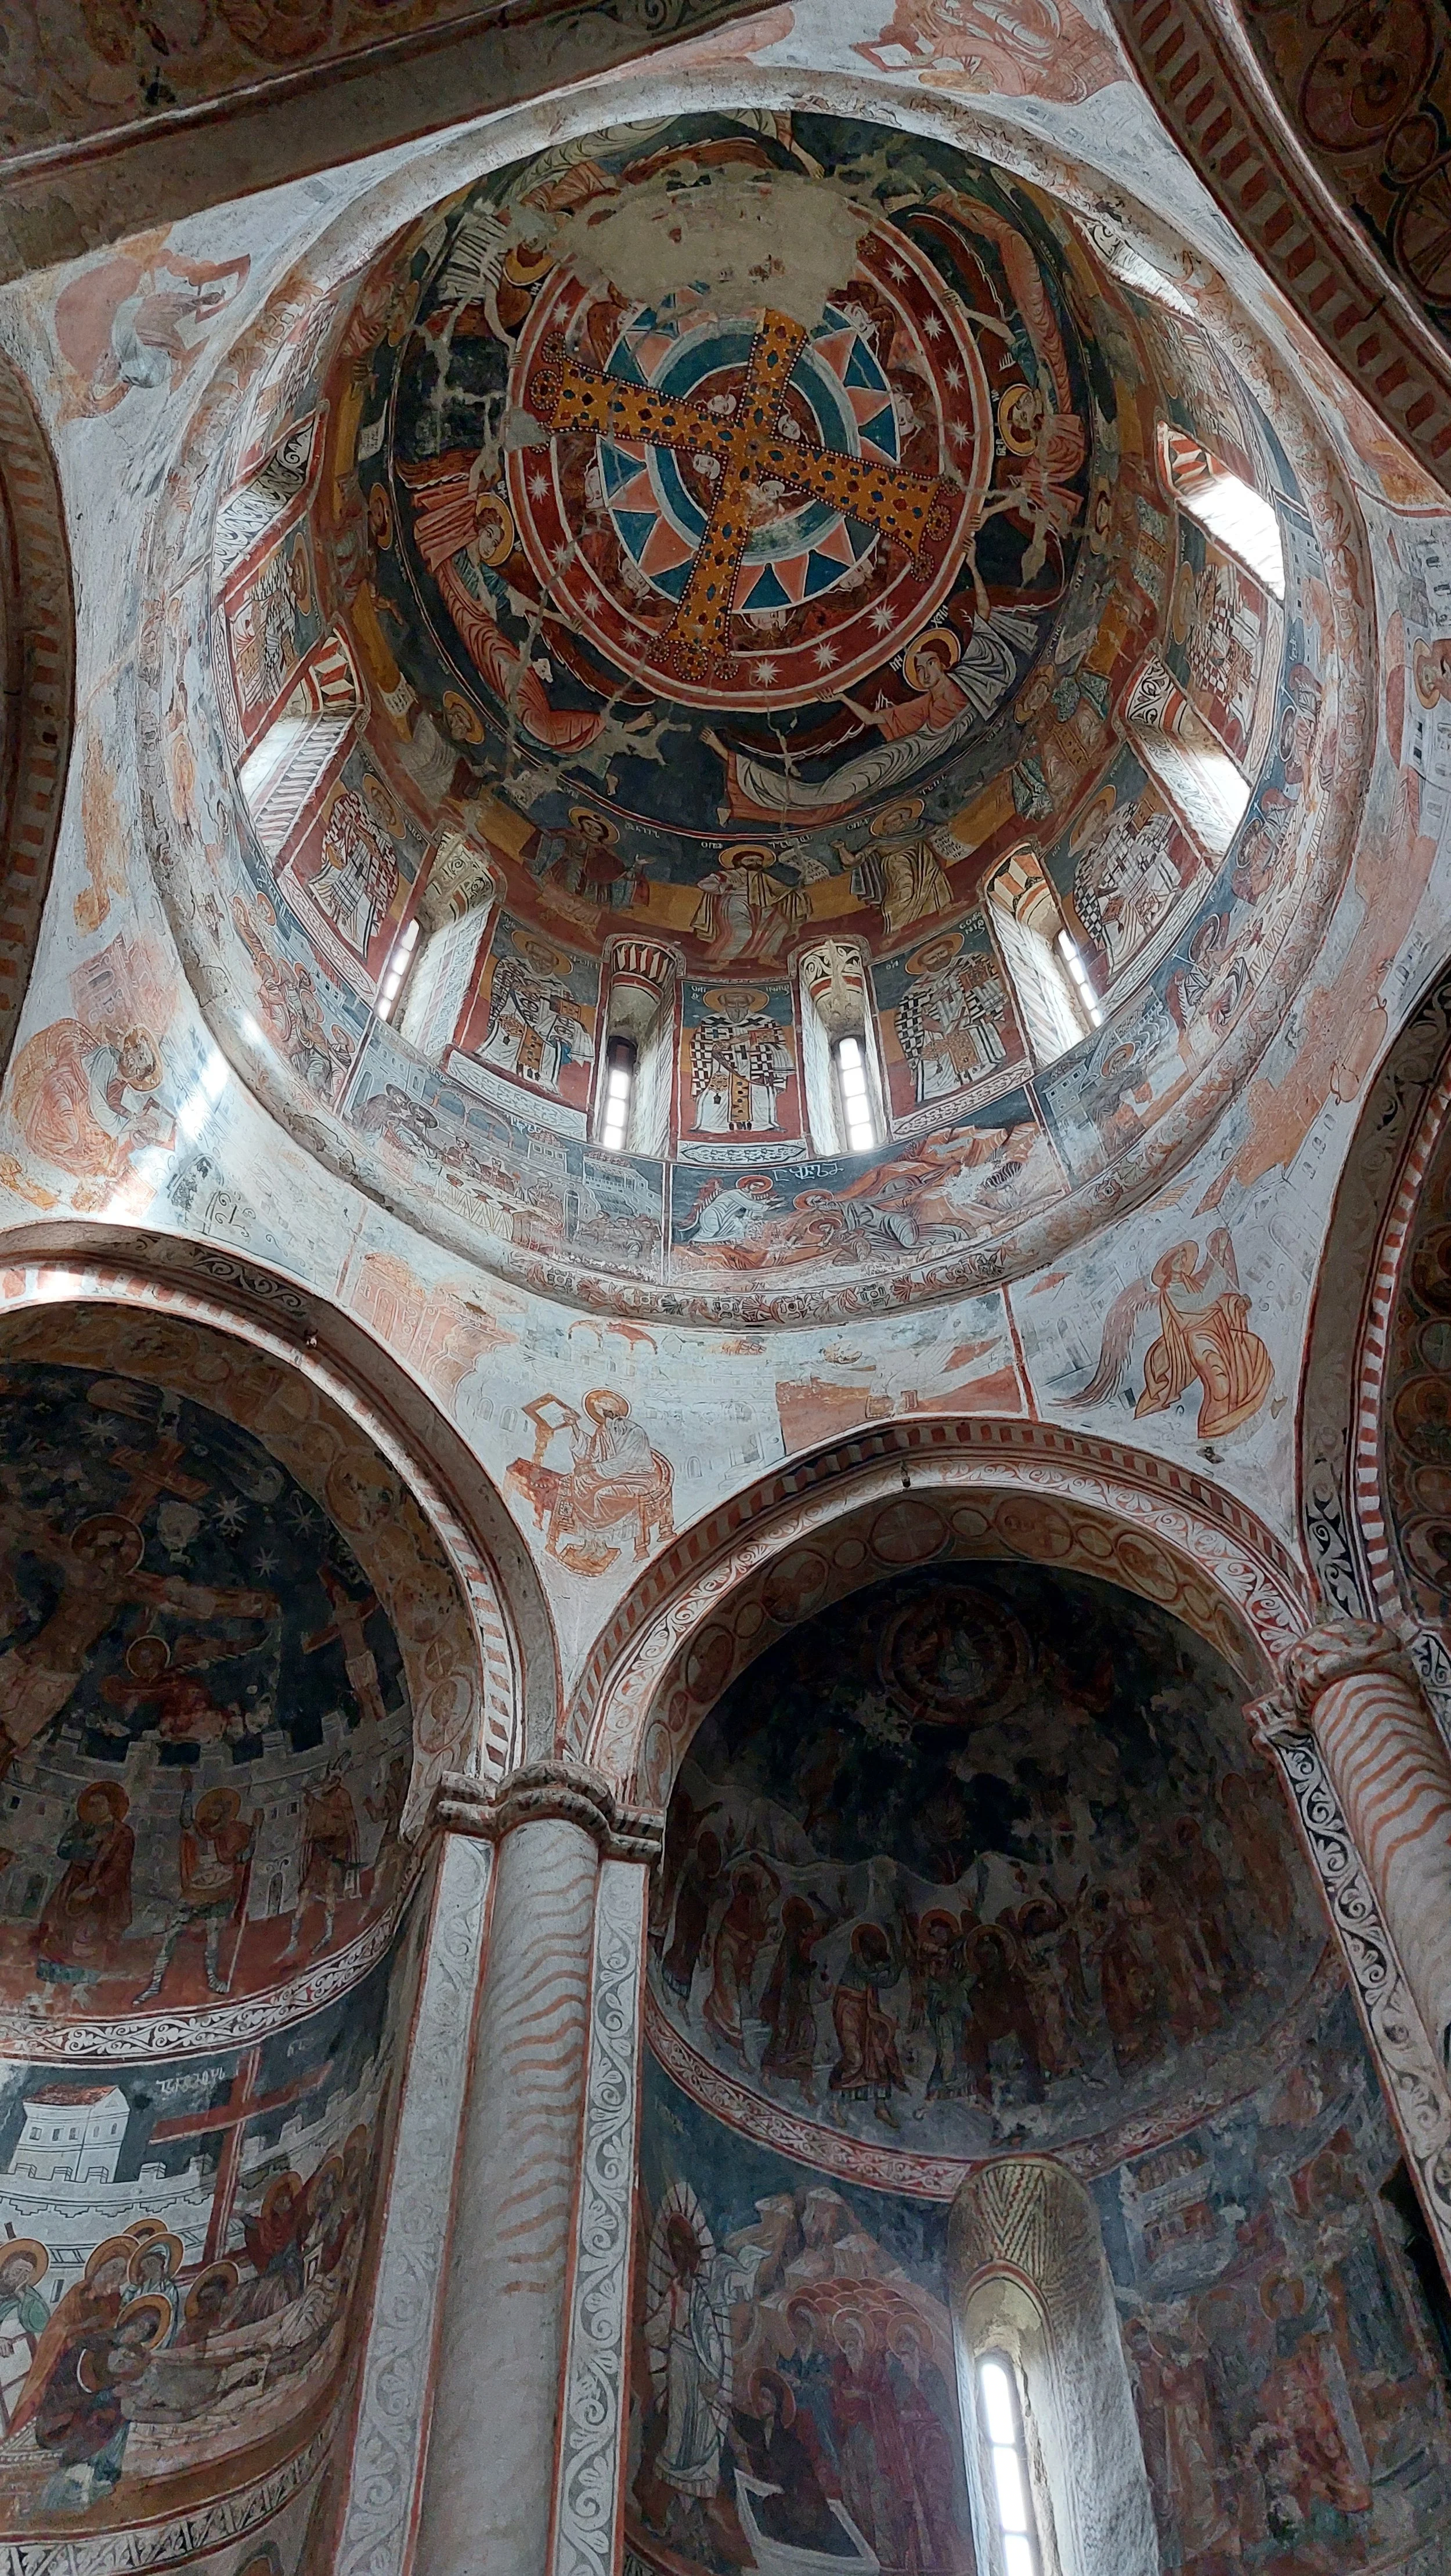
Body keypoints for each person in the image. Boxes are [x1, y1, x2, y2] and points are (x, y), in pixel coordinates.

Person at [134, 1781, 259, 2002]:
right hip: (197, 1890)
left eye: (218, 1812)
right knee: (172, 1932)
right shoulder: (198, 1831)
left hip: (222, 1888)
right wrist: (189, 1792)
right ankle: (154, 1984)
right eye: (210, 1810)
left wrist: (256, 1831)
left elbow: (242, 1856)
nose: (213, 1814)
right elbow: (185, 1821)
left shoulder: (230, 1834)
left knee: (213, 1935)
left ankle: (212, 1978)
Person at [33, 1783, 133, 2001]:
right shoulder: (82, 1827)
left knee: (88, 1938)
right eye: (91, 1804)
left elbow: (120, 1865)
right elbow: (63, 1850)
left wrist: (95, 1889)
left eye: (99, 1804)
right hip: (72, 1884)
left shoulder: (122, 1833)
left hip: (101, 1892)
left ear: (111, 1806)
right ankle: (50, 1987)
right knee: (58, 1931)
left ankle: (81, 1987)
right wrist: (86, 1842)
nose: (94, 1808)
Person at [829, 1924, 907, 2127]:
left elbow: (890, 1979)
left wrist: (898, 1951)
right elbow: (875, 1976)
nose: (875, 1951)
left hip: (866, 2008)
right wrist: (893, 1960)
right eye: (873, 1947)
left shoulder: (872, 1962)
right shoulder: (857, 1961)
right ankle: (835, 2104)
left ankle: (881, 2107)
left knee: (878, 2056)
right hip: (848, 2007)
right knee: (855, 2058)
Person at [281, 1771, 360, 1961]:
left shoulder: (341, 1796)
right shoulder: (324, 1800)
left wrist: (318, 1806)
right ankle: (293, 1937)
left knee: (329, 1887)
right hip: (320, 1850)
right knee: (305, 1891)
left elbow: (341, 1821)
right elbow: (318, 1818)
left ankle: (328, 1933)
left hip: (335, 1850)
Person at [0, 2242, 49, 2434]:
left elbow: (41, 2323)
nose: (20, 2277)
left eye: (26, 2274)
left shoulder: (24, 2294)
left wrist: (22, 2294)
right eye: (17, 2270)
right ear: (5, 2268)